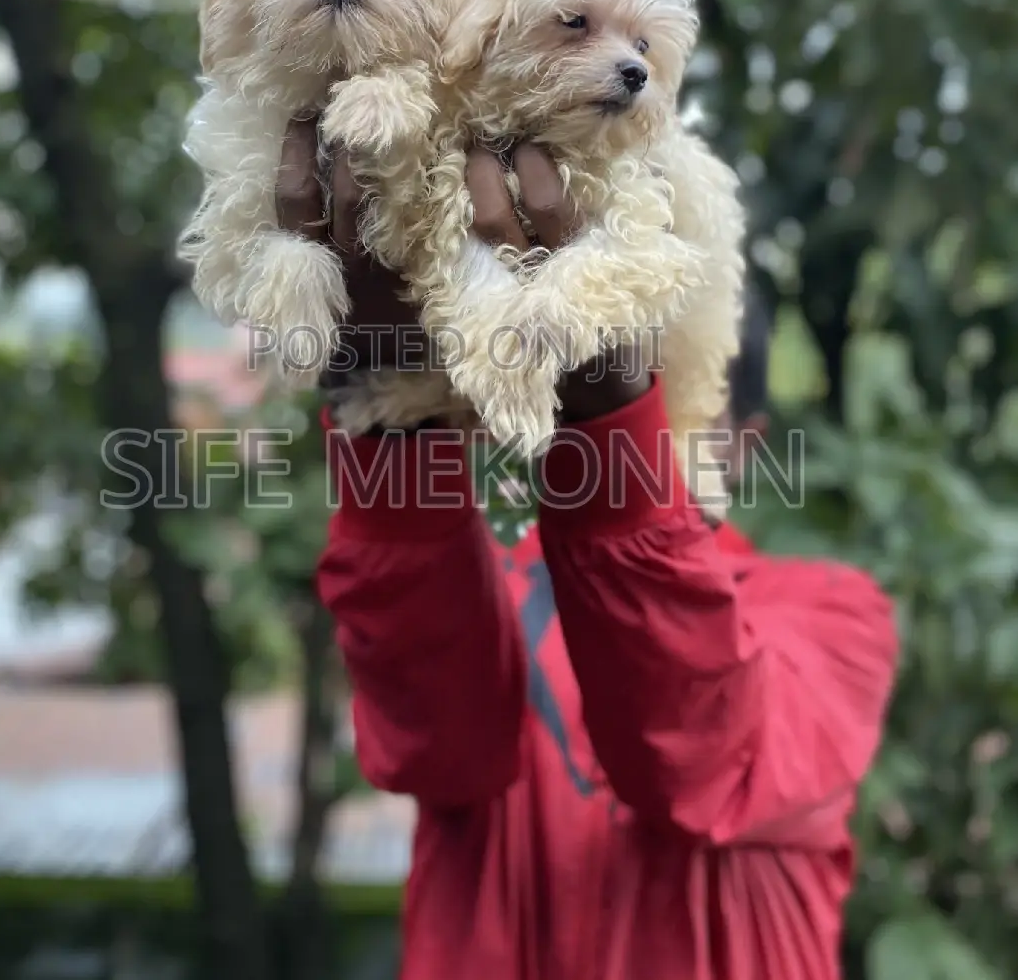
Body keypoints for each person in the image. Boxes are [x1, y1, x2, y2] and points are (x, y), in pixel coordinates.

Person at [275, 122, 898, 980]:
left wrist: (604, 396)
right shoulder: (470, 592)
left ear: (743, 445)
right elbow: (438, 745)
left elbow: (704, 756)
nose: (636, 402)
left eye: (664, 383)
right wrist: (387, 390)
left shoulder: (833, 617)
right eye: (630, 376)